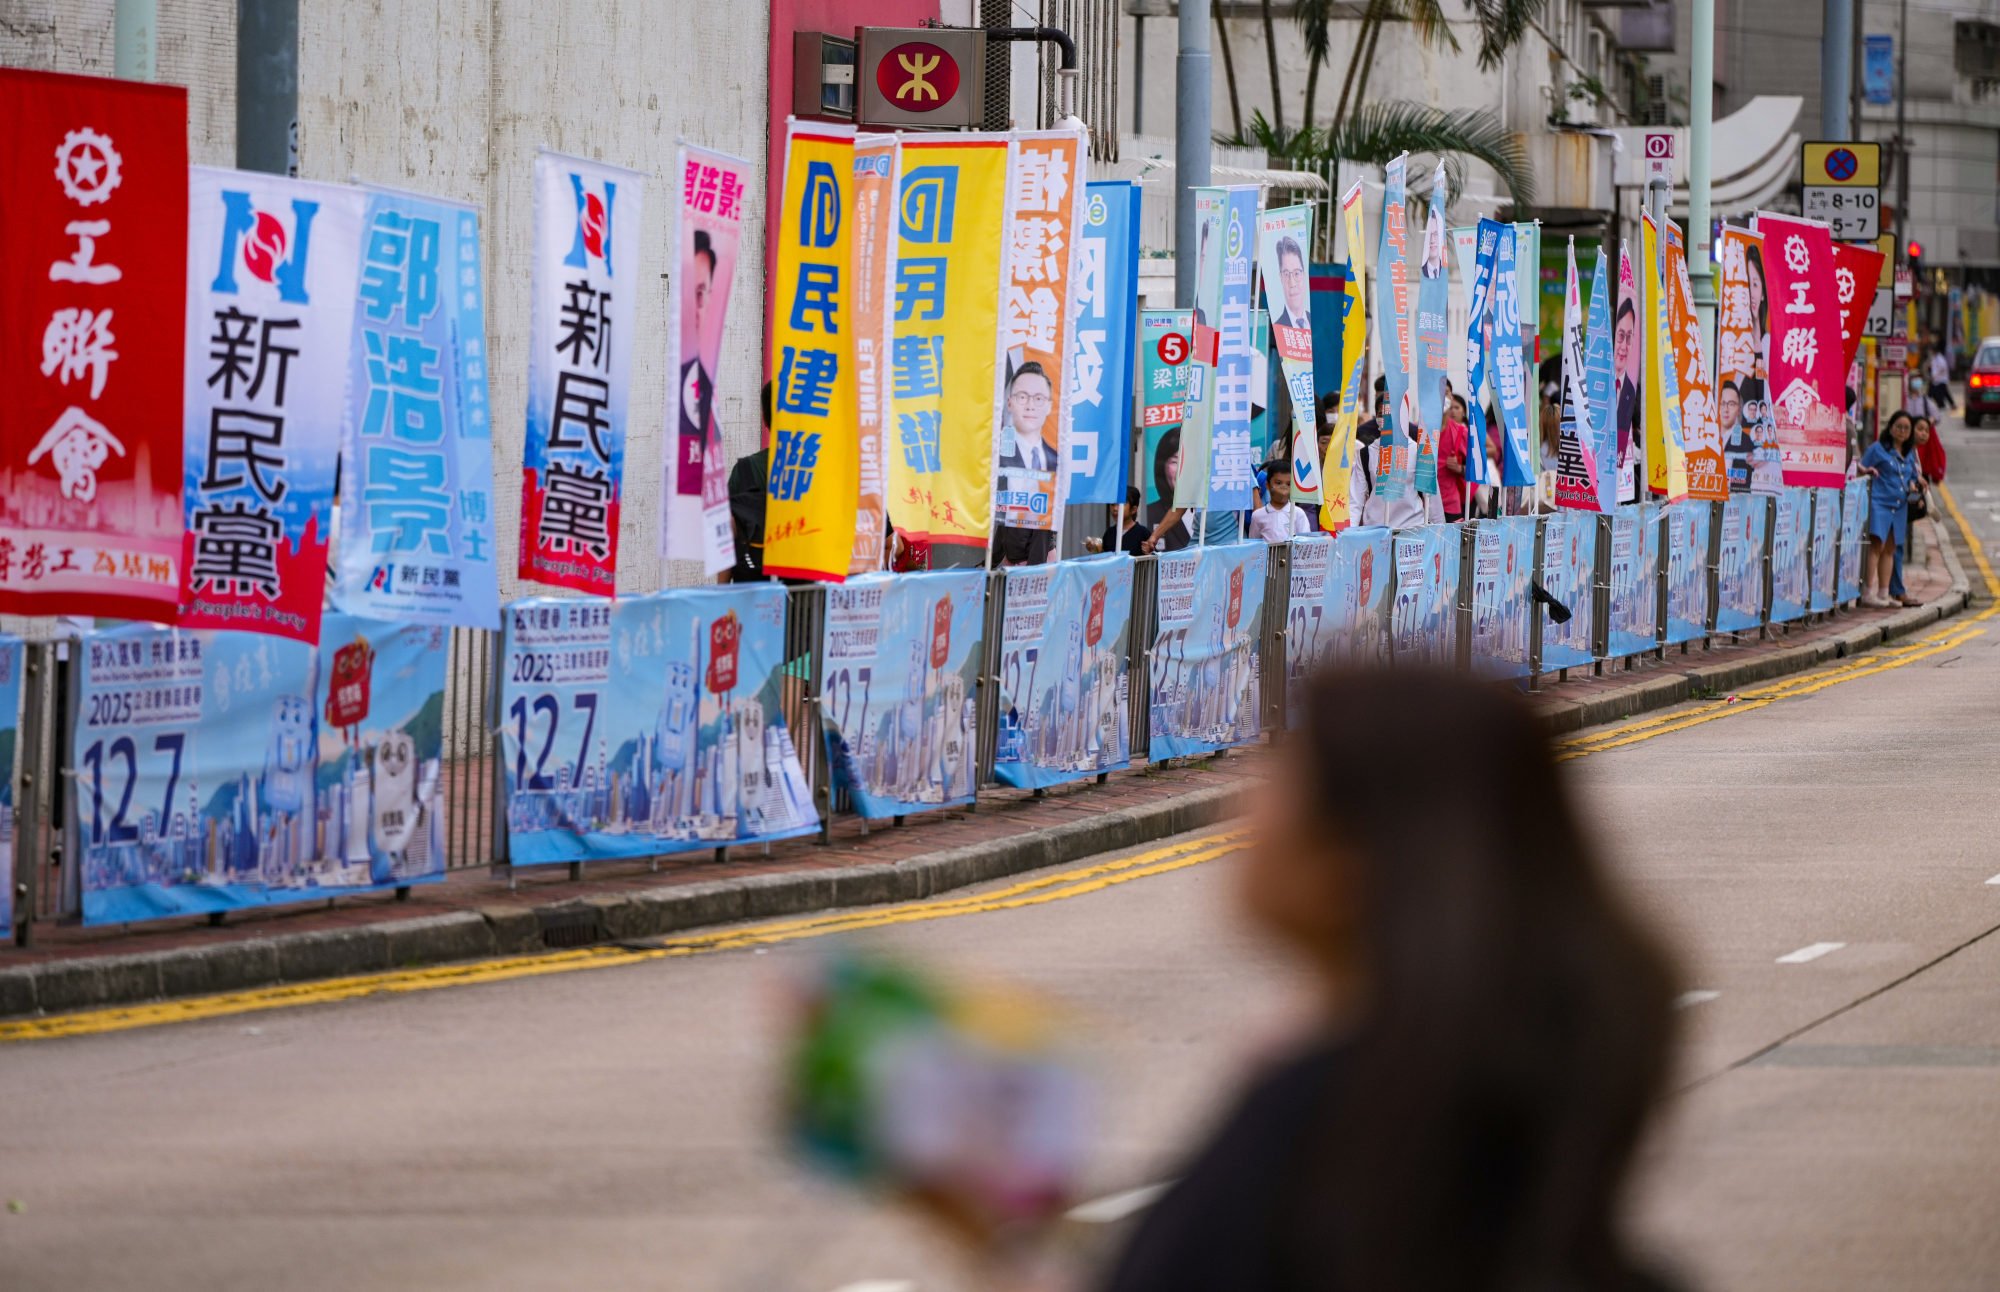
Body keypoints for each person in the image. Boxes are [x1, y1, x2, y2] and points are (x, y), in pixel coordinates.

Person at [1100, 668, 1682, 1292]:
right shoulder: (1502, 1075)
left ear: (1347, 865)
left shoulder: (1312, 1119)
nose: (1240, 805)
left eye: (1281, 773)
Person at [1858, 411, 1920, 608]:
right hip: (1880, 503)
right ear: (1891, 427)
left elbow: (1911, 475)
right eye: (1899, 427)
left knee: (1890, 549)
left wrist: (1912, 484)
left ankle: (1884, 592)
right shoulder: (1877, 449)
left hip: (1899, 506)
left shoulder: (1909, 453)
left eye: (1906, 428)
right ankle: (1867, 592)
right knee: (1876, 545)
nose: (1902, 431)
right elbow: (1859, 466)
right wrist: (1867, 471)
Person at [727, 383, 774, 582]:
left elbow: (725, 538)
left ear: (764, 418)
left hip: (750, 597)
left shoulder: (745, 471)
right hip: (814, 600)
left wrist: (722, 592)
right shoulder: (827, 472)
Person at [1249, 459, 1312, 543]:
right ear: (1267, 485)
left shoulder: (1298, 513)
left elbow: (1306, 543)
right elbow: (1253, 545)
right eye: (1278, 483)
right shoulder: (1257, 516)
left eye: (1288, 484)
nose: (1283, 487)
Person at [1436, 393, 1471, 523]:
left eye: (1446, 393)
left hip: (1450, 506)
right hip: (1424, 504)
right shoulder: (1419, 430)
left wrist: (1460, 468)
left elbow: (1478, 469)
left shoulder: (1461, 432)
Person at [1718, 380, 1756, 493]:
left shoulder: (1745, 442)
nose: (1726, 409)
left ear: (1739, 409)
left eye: (1731, 404)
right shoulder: (1707, 437)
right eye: (1723, 403)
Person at [1092, 486, 1150, 556]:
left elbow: (1152, 560)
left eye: (1120, 505)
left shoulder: (1143, 533)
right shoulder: (1109, 533)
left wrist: (1149, 552)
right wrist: (1097, 549)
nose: (1115, 509)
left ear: (1133, 509)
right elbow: (1105, 562)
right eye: (1112, 504)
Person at [1272, 236, 1312, 332]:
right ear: (1280, 278)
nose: (1292, 283)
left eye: (1296, 273)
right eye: (1286, 274)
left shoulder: (1317, 323)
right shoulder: (1275, 329)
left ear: (1304, 275)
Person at [1929, 345, 1956, 411]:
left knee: (1938, 392)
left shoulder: (1940, 358)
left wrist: (1935, 375)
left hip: (1940, 379)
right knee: (1943, 392)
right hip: (1937, 379)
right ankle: (1949, 404)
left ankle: (1941, 404)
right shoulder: (1934, 358)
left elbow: (1942, 368)